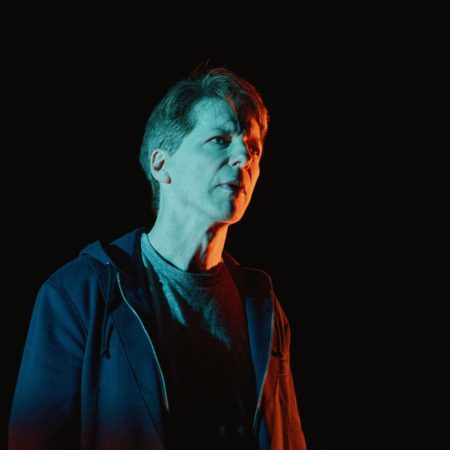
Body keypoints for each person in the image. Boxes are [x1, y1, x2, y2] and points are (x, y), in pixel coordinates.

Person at [9, 66, 307, 450]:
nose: (242, 158)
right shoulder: (79, 293)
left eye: (253, 148)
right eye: (220, 139)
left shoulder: (263, 308)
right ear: (161, 165)